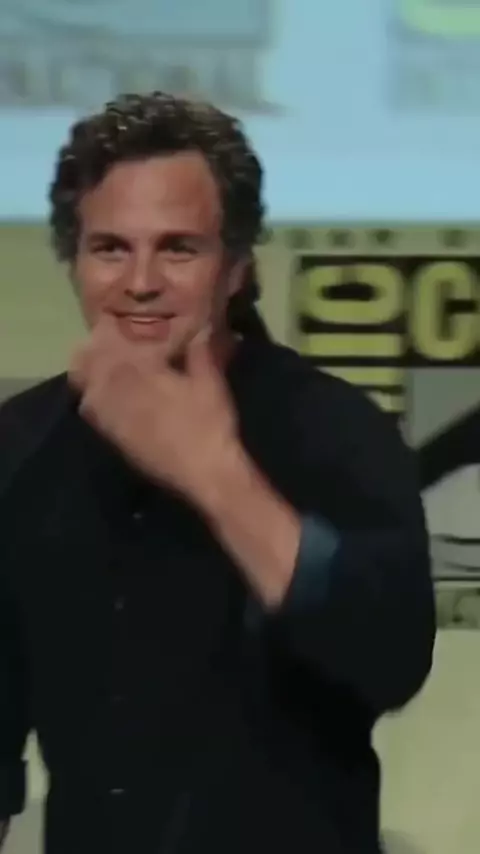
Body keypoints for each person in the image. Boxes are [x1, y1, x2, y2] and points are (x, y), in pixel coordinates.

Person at [0, 92, 435, 854]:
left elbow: (390, 657)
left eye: (178, 248)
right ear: (75, 261)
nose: (140, 282)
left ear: (235, 268)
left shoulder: (336, 430)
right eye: (110, 248)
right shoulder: (20, 445)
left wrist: (215, 476)